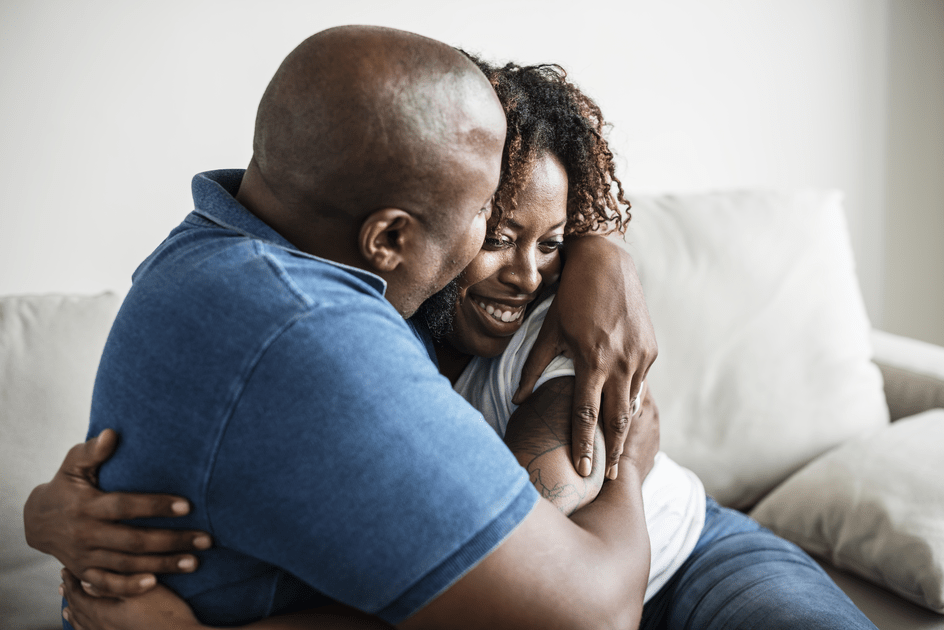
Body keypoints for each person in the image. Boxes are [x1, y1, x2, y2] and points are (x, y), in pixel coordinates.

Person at [31, 58, 878, 630]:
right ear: (393, 233)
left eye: (555, 244)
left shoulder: (559, 335)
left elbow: (525, 560)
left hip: (687, 553)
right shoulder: (353, 320)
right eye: (493, 227)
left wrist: (626, 452)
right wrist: (46, 517)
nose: (525, 271)